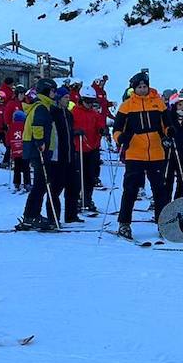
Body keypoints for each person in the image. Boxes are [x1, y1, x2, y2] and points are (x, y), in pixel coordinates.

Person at [112, 71, 172, 240]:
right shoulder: (126, 106)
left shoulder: (158, 103)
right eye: (139, 87)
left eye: (145, 86)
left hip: (156, 151)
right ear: (134, 88)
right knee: (130, 189)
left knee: (160, 190)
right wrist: (120, 138)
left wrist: (169, 131)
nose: (143, 89)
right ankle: (124, 223)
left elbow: (166, 123)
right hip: (135, 152)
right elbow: (117, 129)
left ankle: (163, 223)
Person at [18, 78, 80, 230]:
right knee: (40, 185)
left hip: (41, 150)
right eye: (52, 90)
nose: (54, 93)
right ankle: (31, 215)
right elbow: (37, 126)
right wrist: (40, 142)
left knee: (41, 185)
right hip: (38, 150)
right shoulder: (41, 107)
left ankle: (32, 215)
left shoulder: (44, 105)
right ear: (47, 91)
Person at [71, 87, 107, 215]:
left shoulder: (94, 114)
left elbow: (100, 124)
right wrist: (75, 131)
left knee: (91, 176)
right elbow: (68, 128)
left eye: (92, 101)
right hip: (78, 148)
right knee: (78, 176)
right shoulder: (74, 112)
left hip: (93, 148)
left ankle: (87, 199)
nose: (90, 104)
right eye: (87, 101)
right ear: (81, 100)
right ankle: (75, 201)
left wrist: (102, 129)